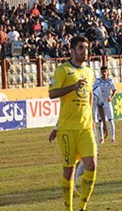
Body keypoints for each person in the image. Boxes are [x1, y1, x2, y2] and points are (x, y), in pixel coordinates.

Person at [48, 36, 97, 211]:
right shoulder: (63, 70)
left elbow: (90, 95)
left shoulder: (90, 72)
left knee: (92, 165)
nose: (85, 52)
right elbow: (52, 93)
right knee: (68, 172)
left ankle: (82, 207)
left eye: (87, 48)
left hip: (85, 128)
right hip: (67, 129)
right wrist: (73, 87)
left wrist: (91, 120)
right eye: (81, 48)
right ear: (73, 50)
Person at [93, 66, 117, 144]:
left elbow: (114, 90)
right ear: (101, 72)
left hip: (107, 102)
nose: (104, 73)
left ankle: (113, 138)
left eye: (105, 71)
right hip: (100, 103)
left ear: (107, 72)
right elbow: (94, 90)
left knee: (110, 120)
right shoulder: (97, 81)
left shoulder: (110, 81)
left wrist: (111, 97)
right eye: (103, 71)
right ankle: (102, 138)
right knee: (100, 121)